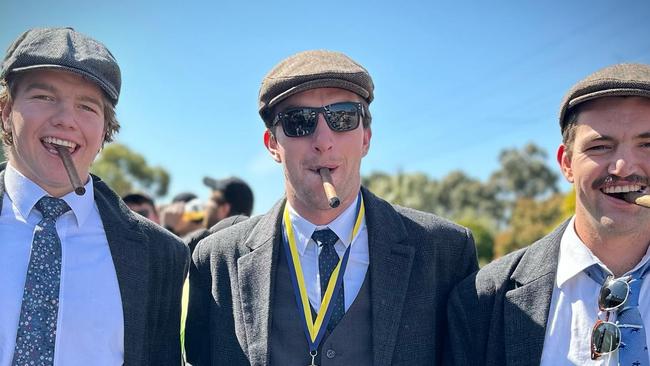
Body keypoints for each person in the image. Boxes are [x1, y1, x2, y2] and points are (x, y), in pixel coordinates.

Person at [185, 49, 478, 365]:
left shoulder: (445, 252)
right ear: (272, 144)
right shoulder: (216, 260)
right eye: (300, 122)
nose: (323, 140)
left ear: (365, 137)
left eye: (342, 117)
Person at [0, 27, 189, 365]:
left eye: (86, 107)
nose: (66, 120)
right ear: (5, 111)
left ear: (105, 130)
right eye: (44, 97)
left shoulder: (160, 255)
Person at [446, 63, 650, 366]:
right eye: (600, 146)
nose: (624, 167)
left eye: (647, 144)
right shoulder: (482, 301)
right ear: (566, 163)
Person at [184, 176, 254, 254]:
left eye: (211, 199)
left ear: (224, 209)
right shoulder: (246, 252)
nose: (205, 205)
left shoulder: (204, 254)